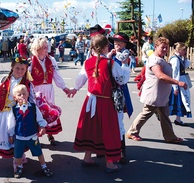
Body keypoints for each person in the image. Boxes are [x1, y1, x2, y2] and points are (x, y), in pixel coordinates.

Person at [68, 34, 130, 173]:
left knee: (91, 129)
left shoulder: (88, 62)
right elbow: (121, 79)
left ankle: (87, 157)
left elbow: (81, 78)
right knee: (109, 131)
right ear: (104, 47)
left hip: (90, 101)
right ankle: (110, 163)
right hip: (105, 102)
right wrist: (125, 66)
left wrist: (75, 89)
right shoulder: (110, 63)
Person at [127, 37, 187, 143]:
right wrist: (178, 82)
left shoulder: (160, 58)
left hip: (161, 94)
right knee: (146, 113)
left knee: (164, 115)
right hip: (154, 94)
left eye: (166, 48)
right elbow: (160, 75)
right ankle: (132, 132)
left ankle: (170, 136)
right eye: (162, 47)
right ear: (155, 47)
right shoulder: (155, 60)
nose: (165, 50)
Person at [0, 56, 34, 172]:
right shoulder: (4, 80)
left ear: (26, 70)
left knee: (19, 137)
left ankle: (18, 160)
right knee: (10, 139)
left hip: (20, 115)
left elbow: (33, 100)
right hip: (6, 115)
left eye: (23, 69)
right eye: (17, 68)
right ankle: (17, 159)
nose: (19, 71)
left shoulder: (27, 83)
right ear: (12, 68)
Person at [29, 37, 70, 145]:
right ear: (37, 49)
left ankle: (50, 134)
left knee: (48, 111)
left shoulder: (51, 60)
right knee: (36, 112)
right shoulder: (31, 61)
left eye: (47, 47)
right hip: (36, 90)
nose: (46, 50)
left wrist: (64, 87)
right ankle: (35, 136)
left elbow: (57, 75)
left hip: (48, 89)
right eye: (44, 48)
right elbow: (26, 77)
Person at [10, 84, 53, 178]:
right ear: (15, 97)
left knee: (38, 151)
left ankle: (44, 166)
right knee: (17, 154)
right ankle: (20, 166)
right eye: (19, 94)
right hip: (19, 136)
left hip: (32, 135)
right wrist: (10, 134)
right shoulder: (14, 110)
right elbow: (11, 123)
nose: (22, 96)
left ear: (28, 94)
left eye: (24, 94)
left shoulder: (33, 107)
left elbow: (40, 119)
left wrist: (42, 126)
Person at [107, 32, 134, 163]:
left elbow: (122, 78)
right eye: (115, 42)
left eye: (119, 43)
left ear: (124, 44)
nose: (116, 45)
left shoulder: (125, 55)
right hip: (108, 89)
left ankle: (121, 151)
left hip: (118, 89)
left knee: (118, 120)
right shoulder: (111, 54)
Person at [169, 42, 192, 126]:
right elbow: (175, 73)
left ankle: (178, 119)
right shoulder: (175, 59)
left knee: (181, 100)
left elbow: (185, 66)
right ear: (179, 50)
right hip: (178, 81)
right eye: (184, 50)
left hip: (181, 80)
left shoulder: (180, 58)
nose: (185, 51)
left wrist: (185, 58)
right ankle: (161, 114)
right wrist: (175, 86)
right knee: (177, 100)